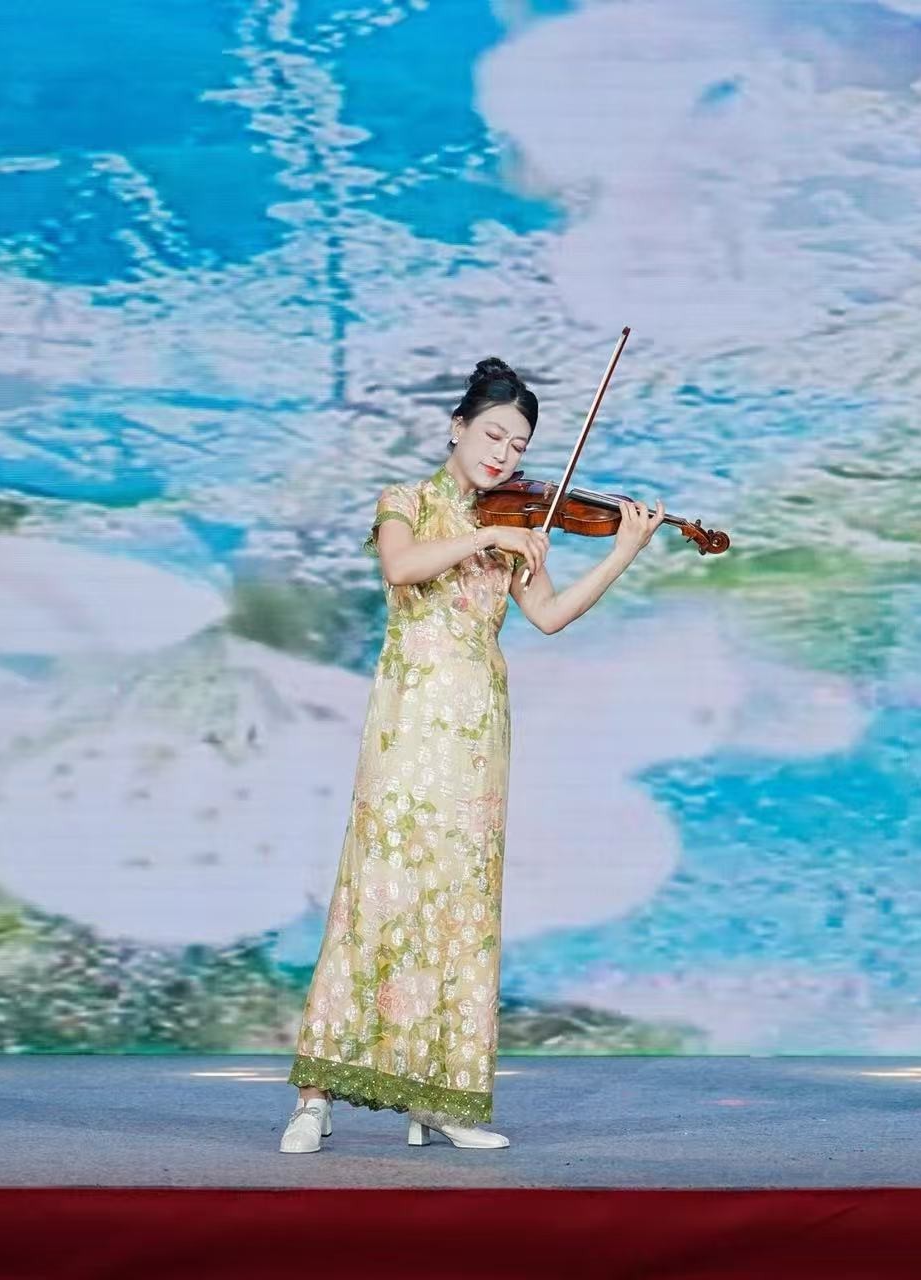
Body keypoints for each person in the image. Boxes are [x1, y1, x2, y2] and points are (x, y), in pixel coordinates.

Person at [279, 358, 665, 1153]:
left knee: (461, 906)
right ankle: (315, 1098)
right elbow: (401, 566)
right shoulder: (407, 501)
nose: (503, 455)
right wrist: (487, 534)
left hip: (479, 725)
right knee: (375, 892)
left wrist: (623, 550)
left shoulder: (519, 524)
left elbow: (549, 615)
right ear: (457, 427)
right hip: (408, 721)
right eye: (493, 435)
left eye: (518, 446)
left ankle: (440, 1099)